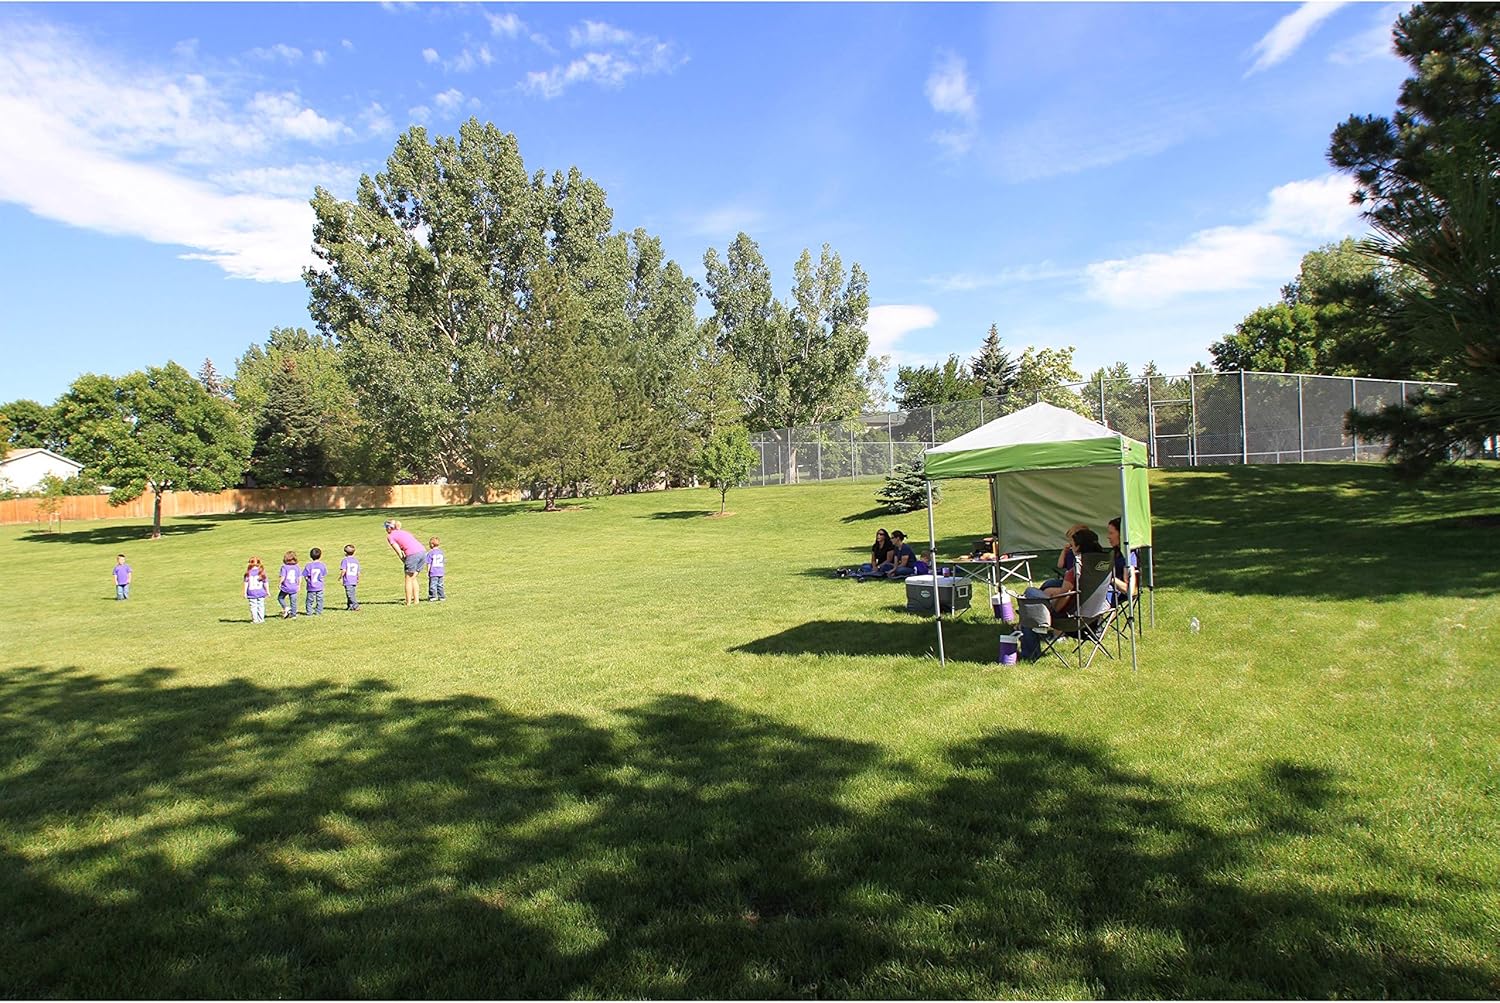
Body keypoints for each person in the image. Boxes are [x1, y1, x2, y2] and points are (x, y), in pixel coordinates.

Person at [1024, 528, 1105, 617]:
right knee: (1048, 586)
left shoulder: (1074, 571)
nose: (1071, 547)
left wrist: (1053, 612)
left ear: (1078, 547)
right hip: (1093, 608)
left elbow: (1064, 596)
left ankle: (1030, 619)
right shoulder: (1102, 567)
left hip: (1067, 611)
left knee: (1030, 591)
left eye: (1072, 545)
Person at [384, 519, 427, 607]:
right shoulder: (404, 532)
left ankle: (408, 603)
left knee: (408, 579)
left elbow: (399, 552)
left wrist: (404, 561)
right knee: (413, 578)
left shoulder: (390, 536)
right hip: (422, 552)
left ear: (389, 528)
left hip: (412, 554)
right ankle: (416, 601)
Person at [1041, 524, 1089, 590]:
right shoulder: (1070, 552)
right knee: (1048, 583)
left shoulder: (1086, 554)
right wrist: (1064, 552)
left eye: (1071, 540)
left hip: (1073, 583)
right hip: (1066, 581)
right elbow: (1060, 565)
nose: (1070, 543)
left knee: (1048, 585)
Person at [1106, 518, 1137, 605]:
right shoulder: (1115, 552)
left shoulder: (1129, 555)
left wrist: (1109, 578)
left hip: (1112, 594)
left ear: (1121, 535)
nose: (1108, 536)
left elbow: (1130, 591)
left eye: (1111, 533)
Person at [277, 551, 302, 619]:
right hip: (294, 587)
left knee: (280, 598)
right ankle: (294, 615)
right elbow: (299, 577)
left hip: (286, 587)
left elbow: (283, 577)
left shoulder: (284, 567)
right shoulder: (297, 567)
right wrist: (299, 585)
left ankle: (286, 608)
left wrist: (279, 583)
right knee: (293, 602)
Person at [244, 557, 269, 624]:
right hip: (261, 592)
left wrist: (245, 592)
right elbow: (265, 582)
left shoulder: (248, 573)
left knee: (253, 606)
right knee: (261, 606)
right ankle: (261, 619)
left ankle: (255, 620)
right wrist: (267, 591)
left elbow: (246, 583)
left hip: (251, 592)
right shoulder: (261, 572)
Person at [304, 548, 328, 616]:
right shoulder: (322, 565)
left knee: (309, 600)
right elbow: (323, 574)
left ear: (310, 556)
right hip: (320, 586)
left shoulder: (308, 565)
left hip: (311, 586)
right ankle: (319, 612)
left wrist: (307, 581)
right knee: (320, 599)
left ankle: (309, 612)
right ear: (320, 555)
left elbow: (306, 576)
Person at [339, 544, 361, 611]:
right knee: (351, 593)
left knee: (350, 594)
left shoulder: (345, 560)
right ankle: (350, 606)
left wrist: (340, 577)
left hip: (348, 580)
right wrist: (358, 579)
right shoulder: (356, 561)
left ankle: (355, 605)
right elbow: (358, 572)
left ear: (345, 552)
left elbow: (344, 570)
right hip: (354, 579)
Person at [427, 536, 446, 602]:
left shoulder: (430, 553)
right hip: (441, 571)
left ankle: (433, 596)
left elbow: (429, 563)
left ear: (432, 545)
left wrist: (428, 571)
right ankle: (442, 597)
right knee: (440, 585)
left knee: (433, 585)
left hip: (433, 572)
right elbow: (443, 562)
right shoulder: (441, 552)